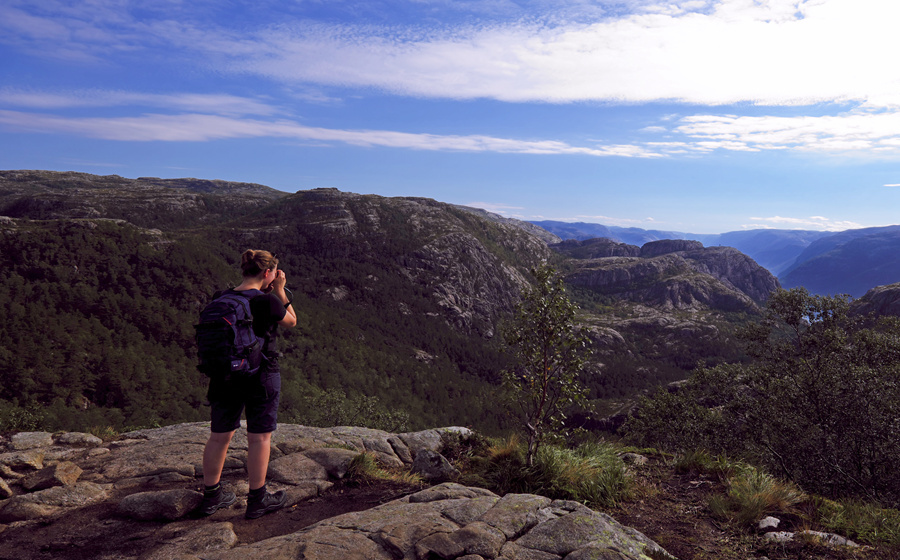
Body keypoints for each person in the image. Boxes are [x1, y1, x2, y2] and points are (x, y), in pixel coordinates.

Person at [196, 249, 297, 519]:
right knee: (260, 437)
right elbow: (292, 321)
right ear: (267, 273)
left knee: (219, 436)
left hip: (224, 375)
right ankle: (257, 499)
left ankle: (211, 496)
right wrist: (280, 289)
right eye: (273, 273)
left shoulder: (222, 298)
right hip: (261, 373)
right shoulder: (268, 301)